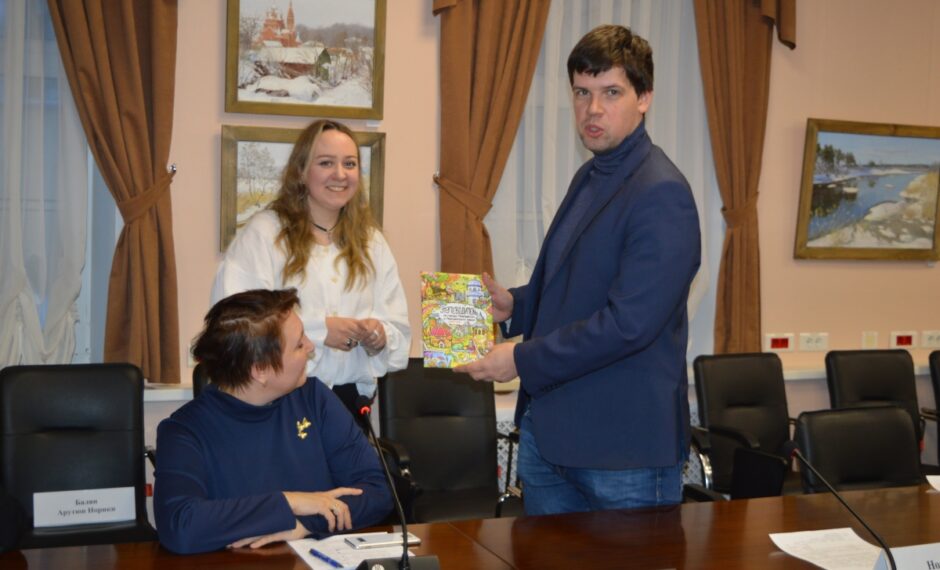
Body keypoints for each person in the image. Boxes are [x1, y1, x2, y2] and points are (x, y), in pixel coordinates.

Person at [455, 24, 701, 514]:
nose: (593, 109)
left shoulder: (662, 192)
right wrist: (515, 305)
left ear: (644, 97)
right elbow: (576, 285)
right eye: (582, 93)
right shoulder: (589, 175)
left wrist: (519, 359)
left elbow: (628, 324)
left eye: (611, 92)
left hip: (623, 454)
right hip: (552, 439)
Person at [154, 289, 393, 554]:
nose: (311, 347)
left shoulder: (315, 400)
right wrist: (290, 502)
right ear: (260, 370)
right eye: (299, 345)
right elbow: (180, 526)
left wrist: (306, 523)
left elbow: (378, 492)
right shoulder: (184, 431)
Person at [211, 119, 410, 427]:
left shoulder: (372, 242)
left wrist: (380, 337)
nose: (340, 174)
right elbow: (235, 324)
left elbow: (399, 331)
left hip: (348, 406)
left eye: (350, 164)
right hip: (278, 405)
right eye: (326, 163)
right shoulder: (265, 233)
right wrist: (319, 330)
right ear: (301, 172)